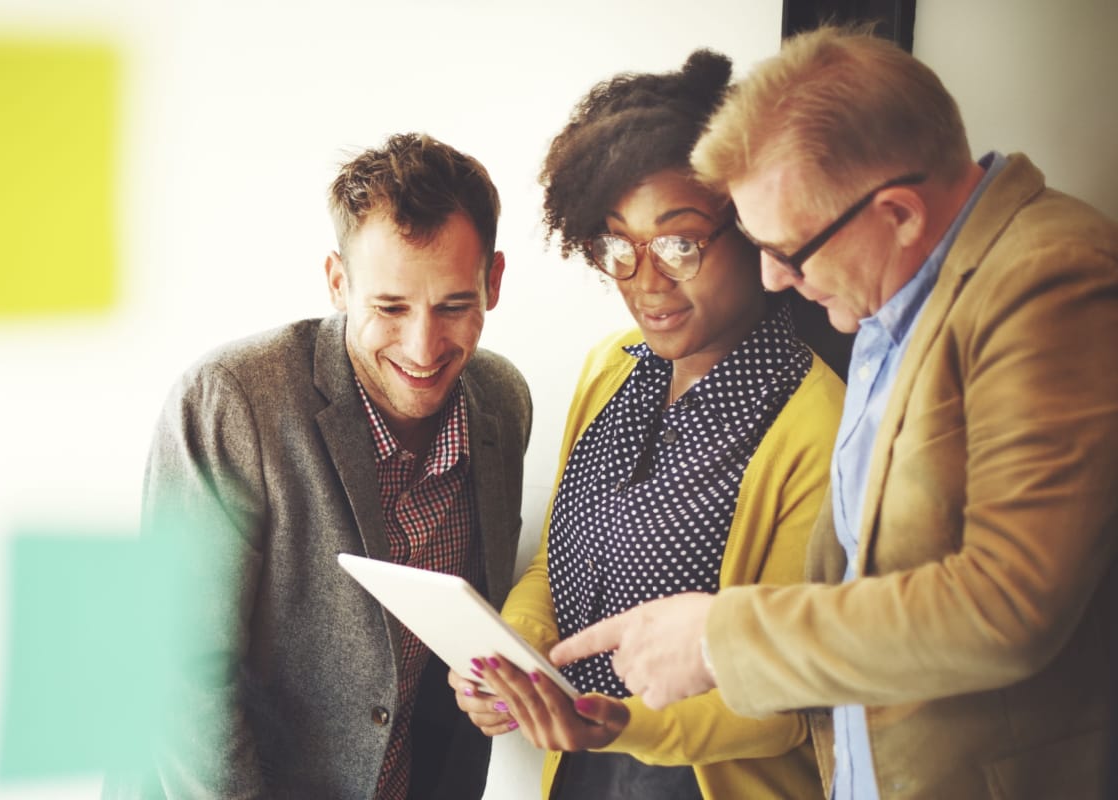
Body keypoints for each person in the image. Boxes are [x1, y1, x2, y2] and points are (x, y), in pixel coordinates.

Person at [552, 25, 1118, 799]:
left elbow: (1007, 603)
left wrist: (721, 639)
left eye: (790, 249)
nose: (776, 279)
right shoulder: (893, 302)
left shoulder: (1048, 278)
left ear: (899, 214)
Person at [449, 51, 843, 799]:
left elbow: (791, 700)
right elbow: (560, 564)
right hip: (580, 772)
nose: (646, 282)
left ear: (753, 227)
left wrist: (620, 723)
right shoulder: (613, 366)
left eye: (679, 243)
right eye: (619, 248)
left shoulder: (812, 422)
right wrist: (515, 655)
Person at [104, 132, 531, 799]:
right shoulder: (232, 399)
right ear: (338, 282)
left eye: (454, 306)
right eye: (390, 307)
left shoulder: (503, 403)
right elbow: (178, 672)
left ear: (494, 282)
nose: (424, 347)